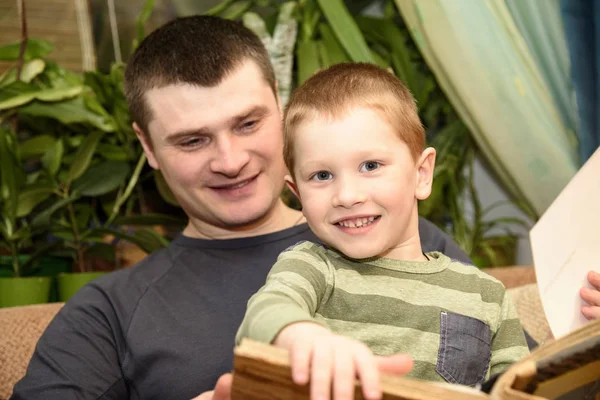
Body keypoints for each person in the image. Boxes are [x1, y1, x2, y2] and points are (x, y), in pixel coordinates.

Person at [10, 15, 600, 400]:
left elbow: (525, 378)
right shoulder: (112, 308)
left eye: (248, 123)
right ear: (147, 148)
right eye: (193, 140)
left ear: (282, 106)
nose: (231, 158)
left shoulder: (412, 241)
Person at [235, 63, 530, 400]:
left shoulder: (487, 296)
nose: (347, 196)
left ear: (421, 174)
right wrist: (303, 337)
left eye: (370, 166)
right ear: (298, 195)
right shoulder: (313, 267)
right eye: (322, 176)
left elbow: (522, 388)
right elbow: (264, 314)